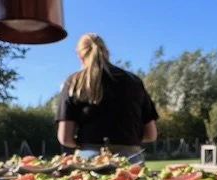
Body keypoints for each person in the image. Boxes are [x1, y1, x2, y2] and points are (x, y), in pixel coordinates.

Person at [55, 33, 158, 161]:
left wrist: (86, 141)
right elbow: (151, 134)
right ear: (107, 53)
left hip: (89, 159)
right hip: (130, 158)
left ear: (80, 57)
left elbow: (65, 138)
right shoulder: (134, 81)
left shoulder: (73, 83)